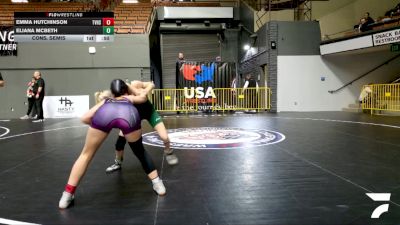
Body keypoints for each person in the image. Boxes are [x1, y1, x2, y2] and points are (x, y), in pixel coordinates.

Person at [59, 79, 166, 209]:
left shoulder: (106, 101)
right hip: (128, 115)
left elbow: (85, 118)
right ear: (125, 89)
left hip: (104, 115)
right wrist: (142, 90)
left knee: (85, 155)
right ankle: (158, 184)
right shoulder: (129, 98)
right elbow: (143, 97)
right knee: (140, 152)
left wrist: (100, 127)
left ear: (112, 92)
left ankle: (67, 195)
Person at [95, 81, 178, 173]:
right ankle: (118, 162)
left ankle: (168, 151)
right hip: (134, 116)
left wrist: (146, 90)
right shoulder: (118, 98)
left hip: (149, 113)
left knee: (164, 137)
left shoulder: (135, 84)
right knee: (119, 142)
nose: (122, 97)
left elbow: (151, 84)